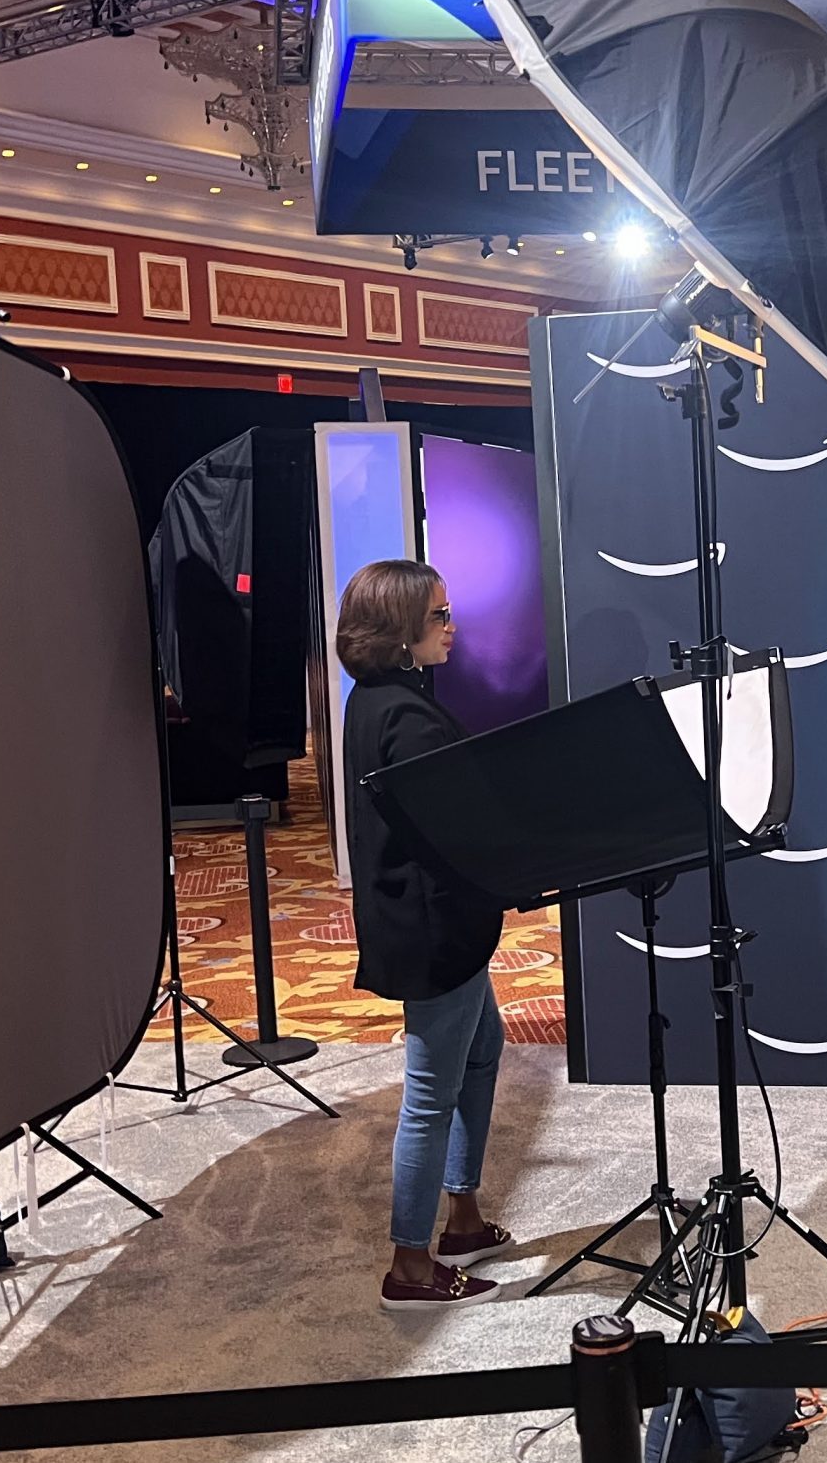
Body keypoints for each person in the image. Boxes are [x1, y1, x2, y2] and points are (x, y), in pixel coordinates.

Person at [336, 558, 515, 1311]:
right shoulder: (404, 716)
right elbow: (451, 826)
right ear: (402, 631)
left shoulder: (378, 699)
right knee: (430, 1092)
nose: (452, 626)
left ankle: (463, 1213)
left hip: (437, 923)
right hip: (435, 929)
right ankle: (410, 1264)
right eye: (439, 615)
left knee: (484, 1047)